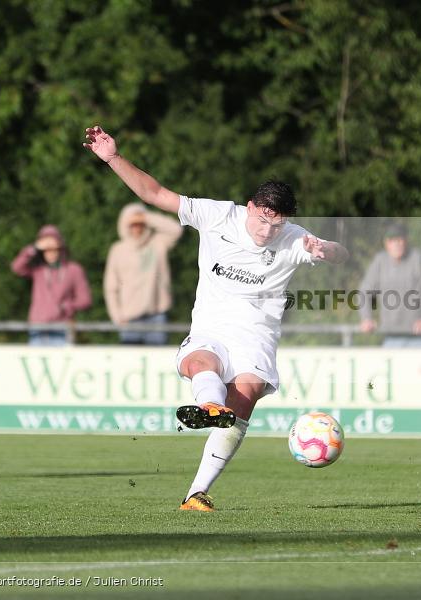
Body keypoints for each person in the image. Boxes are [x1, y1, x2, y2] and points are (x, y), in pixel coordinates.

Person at [84, 125, 348, 512]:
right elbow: (154, 193)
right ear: (250, 206)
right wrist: (112, 158)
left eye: (276, 225)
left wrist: (326, 249)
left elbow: (341, 254)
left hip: (256, 333)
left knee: (247, 394)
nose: (266, 231)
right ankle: (210, 406)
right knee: (199, 363)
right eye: (262, 220)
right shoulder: (217, 215)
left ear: (286, 221)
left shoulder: (294, 238)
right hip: (211, 324)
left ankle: (196, 494)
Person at [103, 203, 183, 345]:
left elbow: (176, 229)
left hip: (156, 316)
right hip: (128, 318)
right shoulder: (117, 250)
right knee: (130, 365)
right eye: (132, 224)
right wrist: (116, 316)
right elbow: (111, 287)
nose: (136, 228)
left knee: (157, 363)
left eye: (140, 224)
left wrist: (146, 217)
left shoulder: (158, 243)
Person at [359, 222, 421, 347]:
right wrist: (366, 318)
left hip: (420, 339)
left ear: (406, 240)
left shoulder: (418, 259)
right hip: (391, 339)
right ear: (386, 243)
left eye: (400, 239)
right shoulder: (380, 262)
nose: (397, 244)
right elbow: (364, 291)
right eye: (392, 240)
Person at [11, 225, 92, 346]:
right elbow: (16, 267)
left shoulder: (74, 270)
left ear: (61, 248)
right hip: (38, 329)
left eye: (54, 248)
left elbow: (85, 300)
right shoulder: (37, 270)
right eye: (46, 250)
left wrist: (67, 307)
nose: (51, 253)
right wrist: (33, 248)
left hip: (62, 329)